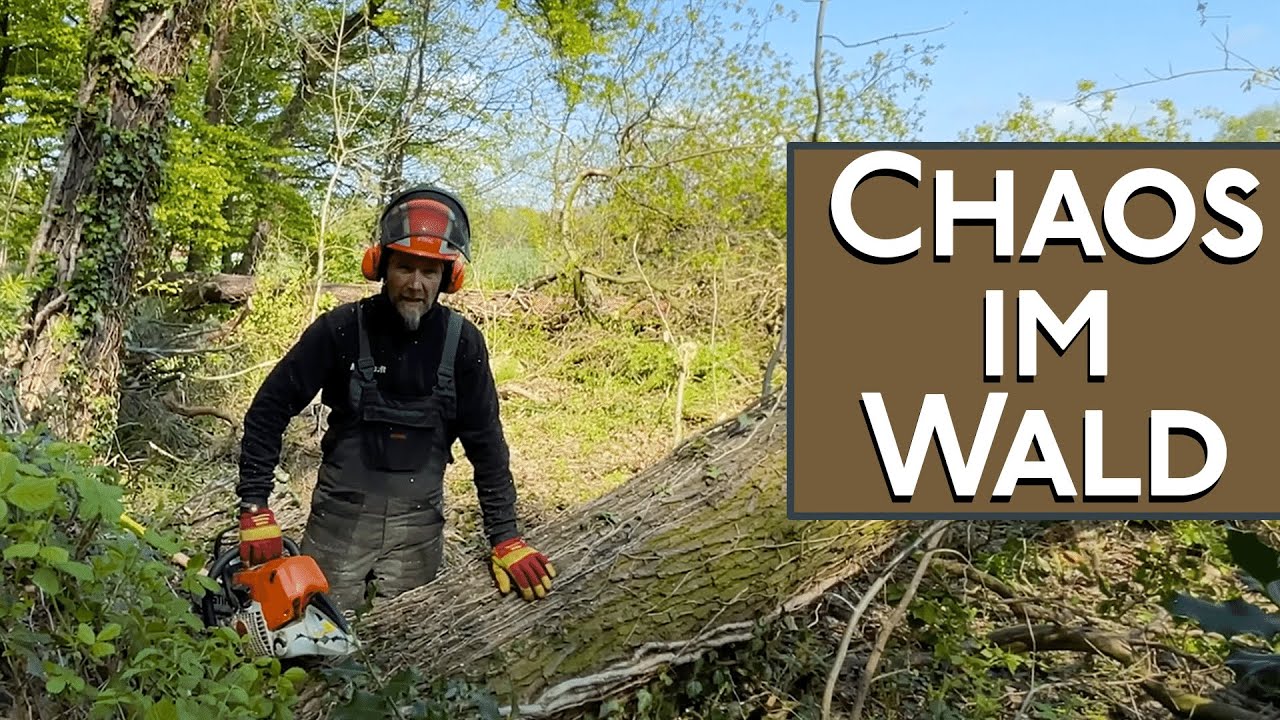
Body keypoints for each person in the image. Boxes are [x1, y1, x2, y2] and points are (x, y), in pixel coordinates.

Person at [232, 184, 556, 613]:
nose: (416, 284)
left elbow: (487, 445)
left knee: (406, 642)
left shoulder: (462, 344)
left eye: (430, 272)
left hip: (418, 526)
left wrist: (506, 536)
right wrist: (255, 505)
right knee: (314, 631)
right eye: (405, 268)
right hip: (338, 520)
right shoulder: (341, 330)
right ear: (380, 266)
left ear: (449, 278)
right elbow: (269, 408)